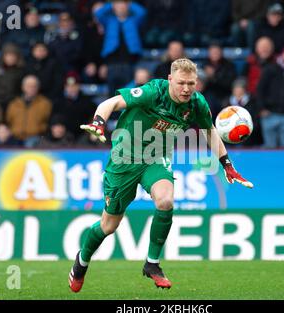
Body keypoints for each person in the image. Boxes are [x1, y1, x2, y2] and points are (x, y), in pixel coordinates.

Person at [68, 58, 253, 292]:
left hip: (156, 158)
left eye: (191, 83)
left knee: (165, 200)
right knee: (108, 225)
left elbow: (210, 131)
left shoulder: (196, 103)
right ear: (170, 80)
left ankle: (152, 264)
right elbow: (112, 102)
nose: (186, 89)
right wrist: (99, 122)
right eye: (181, 83)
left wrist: (227, 165)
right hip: (124, 160)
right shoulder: (152, 92)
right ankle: (82, 261)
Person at [5, 75, 52, 148]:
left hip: (35, 137)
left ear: (38, 88)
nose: (31, 88)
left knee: (30, 144)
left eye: (34, 86)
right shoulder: (14, 104)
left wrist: (40, 131)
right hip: (15, 137)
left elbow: (48, 122)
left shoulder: (45, 103)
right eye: (28, 86)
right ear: (23, 87)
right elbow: (8, 121)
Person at [0, 43, 25, 110]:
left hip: (12, 103)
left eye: (13, 56)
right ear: (3, 57)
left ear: (17, 57)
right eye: (8, 55)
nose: (10, 58)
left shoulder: (21, 72)